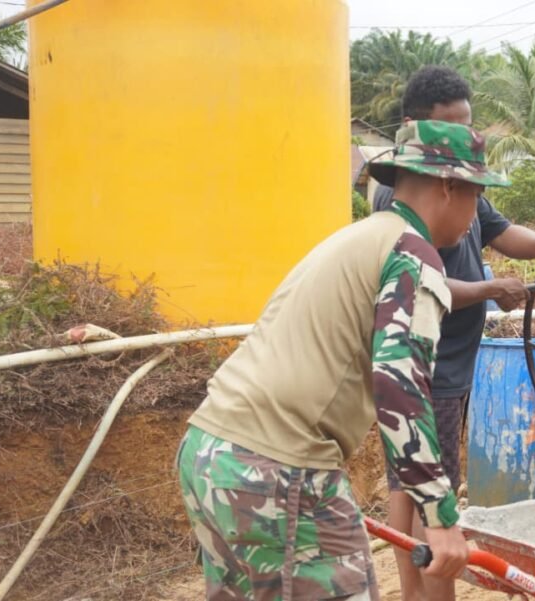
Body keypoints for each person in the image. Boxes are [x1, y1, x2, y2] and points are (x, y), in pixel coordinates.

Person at [176, 120, 509, 601]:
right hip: (278, 465)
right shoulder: (414, 257)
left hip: (210, 451)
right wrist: (439, 516)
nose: (476, 213)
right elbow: (400, 386)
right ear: (447, 186)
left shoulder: (362, 237)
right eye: (476, 195)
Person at [372, 65, 535, 601]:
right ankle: (428, 594)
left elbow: (498, 231)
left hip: (449, 360)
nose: (464, 142)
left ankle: (415, 593)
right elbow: (414, 283)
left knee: (408, 483)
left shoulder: (458, 185)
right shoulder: (402, 201)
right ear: (418, 131)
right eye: (452, 129)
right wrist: (489, 289)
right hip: (425, 363)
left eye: (468, 127)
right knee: (428, 489)